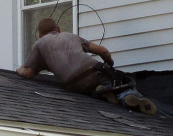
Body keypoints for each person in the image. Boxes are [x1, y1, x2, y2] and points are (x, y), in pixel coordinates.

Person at [17, 17, 156, 114]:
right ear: (58, 29)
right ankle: (129, 96)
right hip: (91, 71)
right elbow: (103, 51)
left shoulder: (39, 45)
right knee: (121, 82)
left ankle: (102, 92)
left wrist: (19, 70)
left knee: (97, 88)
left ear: (40, 35)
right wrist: (110, 65)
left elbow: (29, 73)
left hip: (73, 84)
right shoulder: (71, 36)